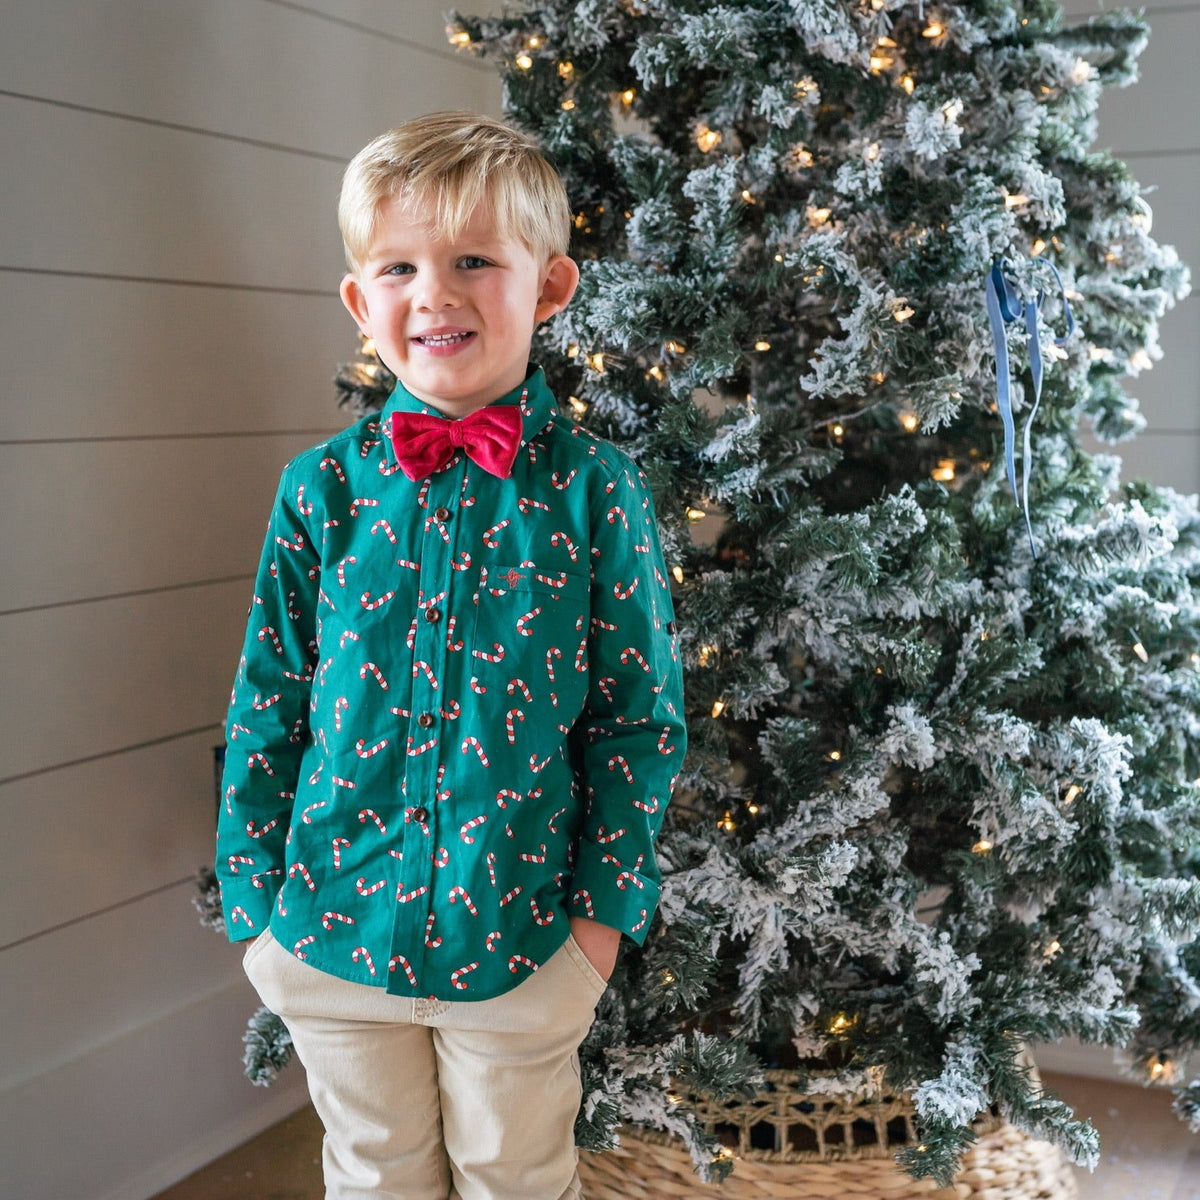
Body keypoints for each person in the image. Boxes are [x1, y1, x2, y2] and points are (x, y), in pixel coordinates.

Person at [215, 111, 687, 1200]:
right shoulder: (320, 494)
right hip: (328, 933)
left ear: (551, 287)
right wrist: (256, 908)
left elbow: (635, 715)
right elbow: (267, 701)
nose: (435, 293)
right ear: (359, 300)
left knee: (515, 1176)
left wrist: (599, 926)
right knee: (374, 1175)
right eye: (399, 266)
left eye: (475, 260)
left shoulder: (593, 491)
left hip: (520, 938)